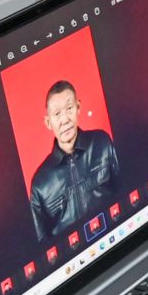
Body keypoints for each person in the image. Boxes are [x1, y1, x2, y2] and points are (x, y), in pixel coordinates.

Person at [27, 80, 119, 241]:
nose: (65, 120)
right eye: (57, 114)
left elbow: (123, 189)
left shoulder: (101, 142)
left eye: (69, 108)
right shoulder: (40, 183)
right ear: (48, 122)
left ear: (78, 107)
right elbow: (43, 243)